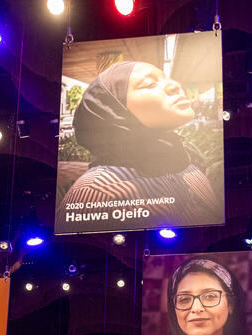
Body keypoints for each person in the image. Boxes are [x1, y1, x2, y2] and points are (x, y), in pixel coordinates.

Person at [61, 60, 222, 228]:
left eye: (167, 78)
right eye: (150, 84)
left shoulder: (184, 163)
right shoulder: (96, 191)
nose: (175, 85)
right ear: (114, 111)